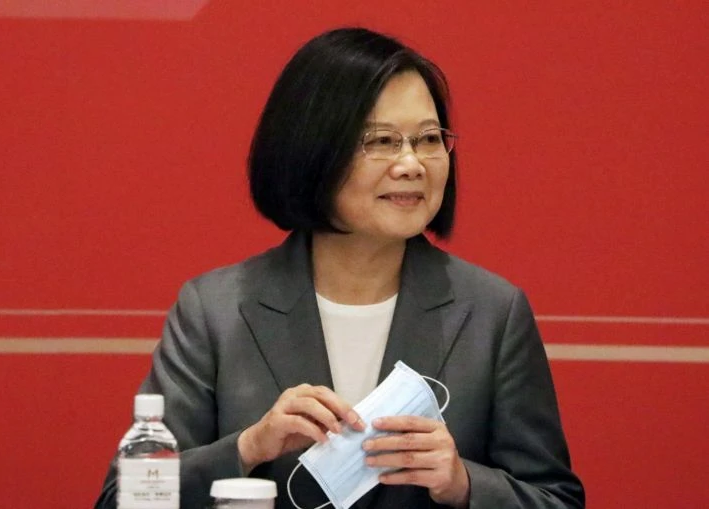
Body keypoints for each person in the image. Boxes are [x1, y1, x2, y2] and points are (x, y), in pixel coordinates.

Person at [95, 27, 585, 509]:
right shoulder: (216, 312)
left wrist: (465, 485)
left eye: (428, 138)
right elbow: (124, 499)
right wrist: (248, 448)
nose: (412, 164)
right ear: (312, 151)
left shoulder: (492, 314)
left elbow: (556, 499)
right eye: (382, 141)